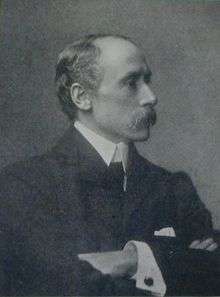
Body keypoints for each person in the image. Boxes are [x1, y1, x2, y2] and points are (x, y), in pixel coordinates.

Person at [0, 34, 219, 296]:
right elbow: (69, 288)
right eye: (131, 83)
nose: (151, 97)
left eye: (147, 80)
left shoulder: (172, 187)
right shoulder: (22, 186)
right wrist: (180, 264)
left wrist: (134, 259)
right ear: (82, 97)